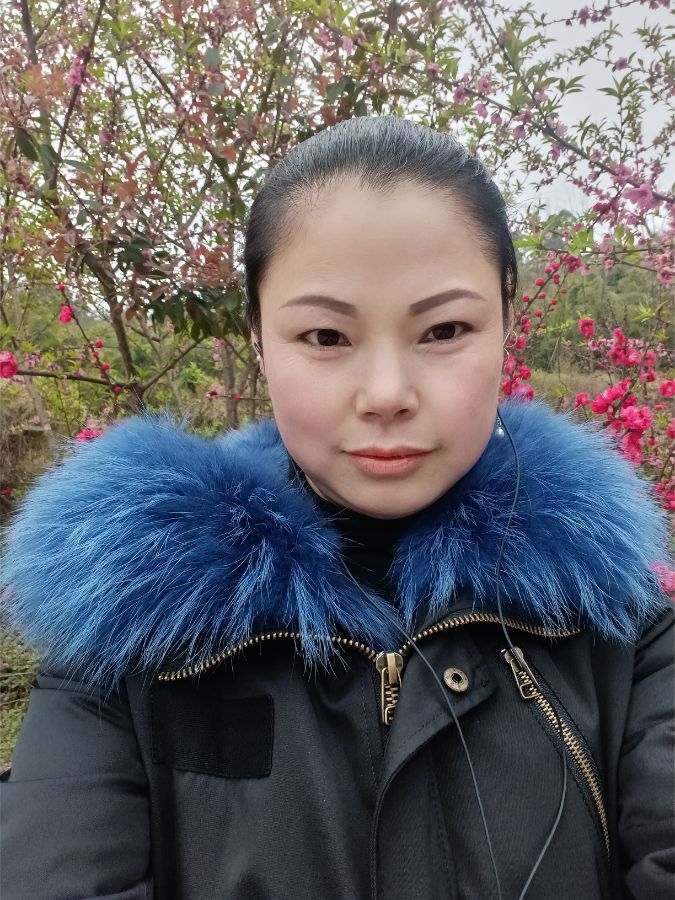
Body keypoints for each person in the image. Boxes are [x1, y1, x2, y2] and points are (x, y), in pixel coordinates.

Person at [1, 115, 673, 900]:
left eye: (444, 329)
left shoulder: (622, 627)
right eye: (325, 336)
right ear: (259, 337)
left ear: (506, 326)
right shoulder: (126, 623)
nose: (386, 394)